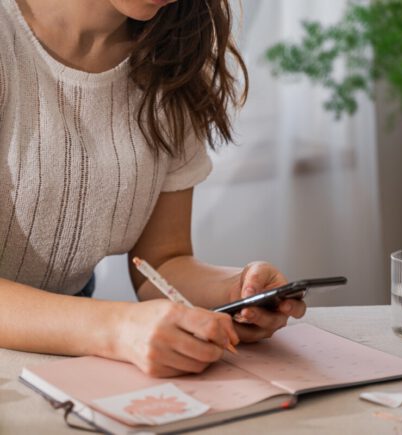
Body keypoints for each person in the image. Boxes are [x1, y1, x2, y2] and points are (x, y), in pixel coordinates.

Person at [0, 0, 306, 378]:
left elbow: (162, 262)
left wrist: (234, 294)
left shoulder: (172, 60)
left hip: (55, 358)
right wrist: (116, 328)